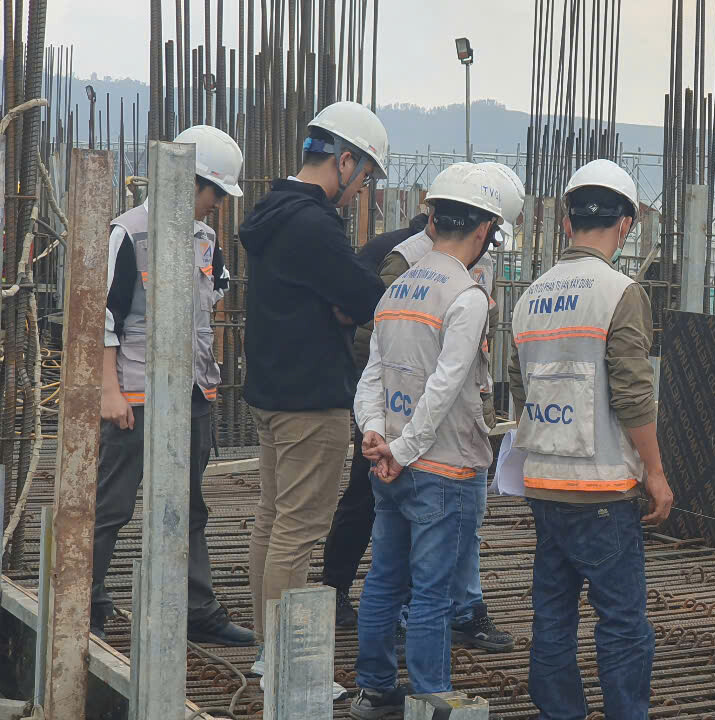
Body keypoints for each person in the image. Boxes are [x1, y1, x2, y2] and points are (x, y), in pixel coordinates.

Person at [507, 158, 673, 720]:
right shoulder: (620, 293)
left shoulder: (530, 297)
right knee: (622, 621)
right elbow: (633, 394)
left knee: (552, 616)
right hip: (603, 490)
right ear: (625, 224)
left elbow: (520, 384)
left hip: (544, 484)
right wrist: (655, 473)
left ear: (566, 222)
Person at [238, 101, 389, 696]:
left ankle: (265, 651)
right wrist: (346, 305)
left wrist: (342, 301)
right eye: (365, 175)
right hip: (311, 400)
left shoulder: (273, 210)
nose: (362, 189)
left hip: (271, 392)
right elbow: (367, 296)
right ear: (344, 161)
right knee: (298, 531)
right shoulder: (315, 224)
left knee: (272, 520)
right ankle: (287, 667)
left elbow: (344, 295)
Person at [348, 163, 504, 717]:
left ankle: (374, 690)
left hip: (390, 464)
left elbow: (372, 375)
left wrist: (374, 433)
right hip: (443, 467)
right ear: (484, 230)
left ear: (433, 220)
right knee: (433, 591)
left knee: (384, 581)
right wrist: (404, 448)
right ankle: (432, 695)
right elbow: (446, 386)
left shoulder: (398, 289)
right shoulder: (467, 296)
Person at [91, 125, 255, 647]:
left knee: (190, 507)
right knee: (112, 504)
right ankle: (87, 600)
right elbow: (104, 318)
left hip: (192, 394)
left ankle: (196, 608)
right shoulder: (128, 233)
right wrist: (109, 391)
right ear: (188, 181)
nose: (218, 205)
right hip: (137, 394)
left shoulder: (206, 240)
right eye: (215, 193)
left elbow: (212, 302)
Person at [322, 209, 431, 628]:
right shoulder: (399, 256)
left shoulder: (459, 259)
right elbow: (369, 330)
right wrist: (375, 406)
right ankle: (336, 588)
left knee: (405, 496)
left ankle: (407, 600)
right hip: (383, 393)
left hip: (411, 393)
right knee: (365, 491)